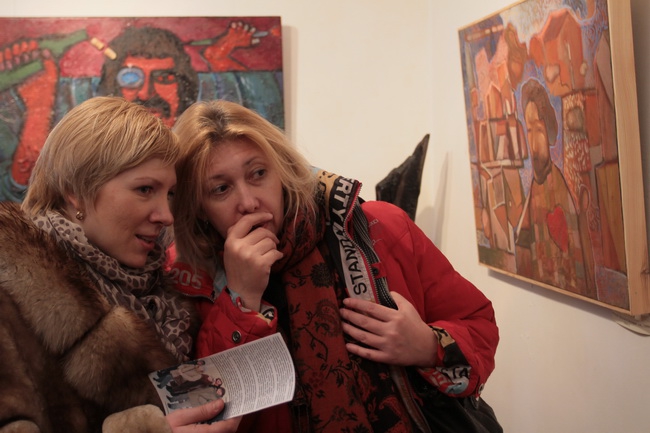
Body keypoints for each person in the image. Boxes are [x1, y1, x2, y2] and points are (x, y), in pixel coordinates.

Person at [170, 99, 500, 432]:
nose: (248, 201)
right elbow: (202, 414)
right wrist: (241, 298)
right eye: (221, 189)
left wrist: (429, 346)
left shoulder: (378, 228)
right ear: (199, 208)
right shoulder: (185, 281)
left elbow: (479, 324)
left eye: (258, 173)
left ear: (282, 171)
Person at [0, 96, 239, 433]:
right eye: (145, 189)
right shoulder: (8, 300)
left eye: (170, 194)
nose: (166, 216)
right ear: (76, 191)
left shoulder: (165, 301)